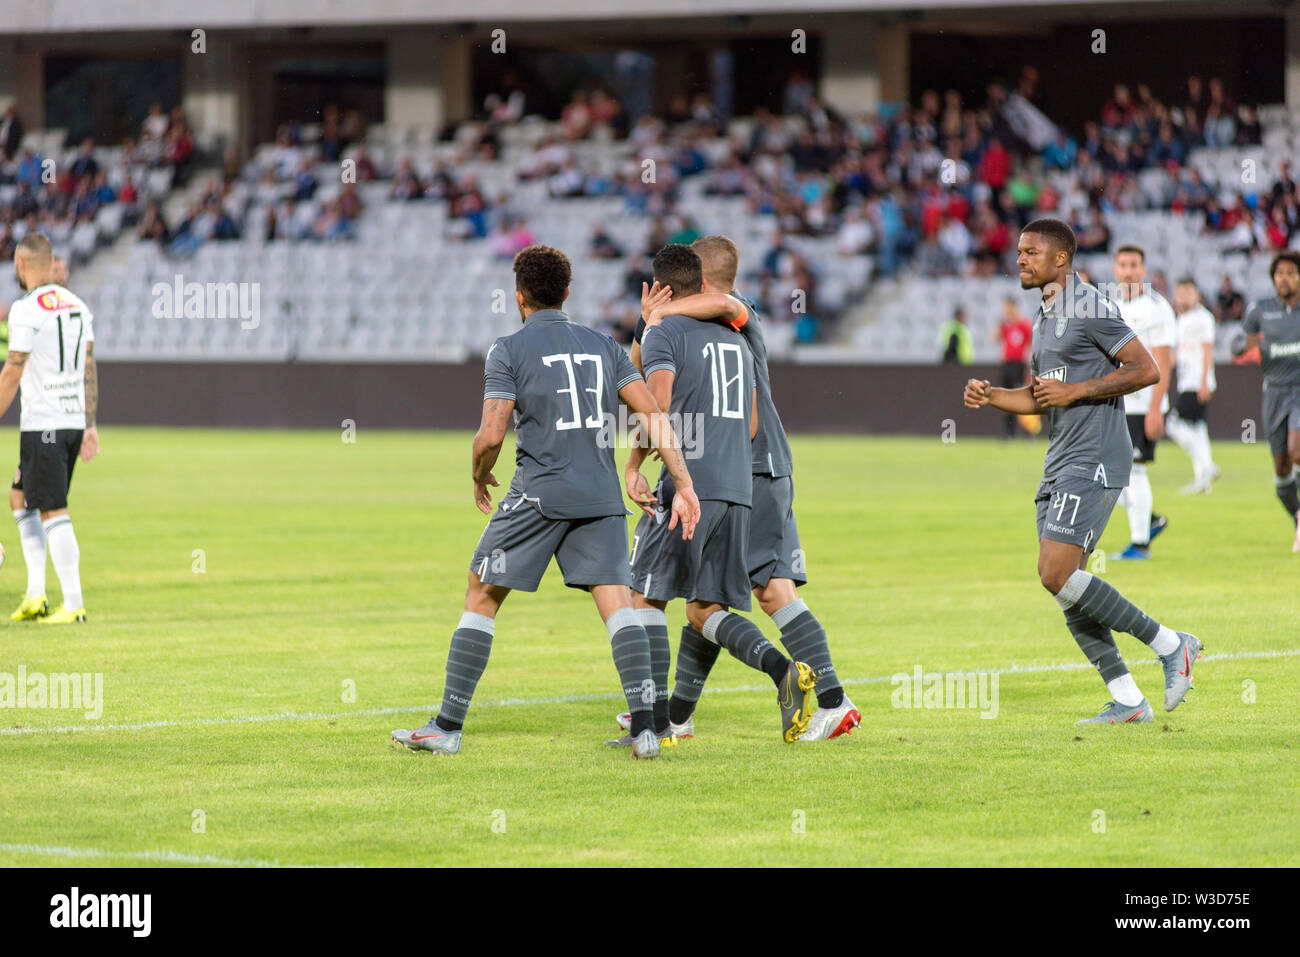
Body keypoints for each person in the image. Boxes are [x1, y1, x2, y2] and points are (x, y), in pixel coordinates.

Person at [390, 245, 701, 759]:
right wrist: (681, 481)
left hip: (539, 495)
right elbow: (654, 415)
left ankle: (446, 725)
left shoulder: (507, 349)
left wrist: (478, 475)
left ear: (519, 297)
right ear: (567, 294)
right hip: (599, 496)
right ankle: (647, 729)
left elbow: (491, 435)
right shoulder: (604, 345)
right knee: (617, 604)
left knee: (482, 592)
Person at [616, 235, 858, 742]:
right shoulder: (709, 331)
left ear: (697, 284)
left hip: (749, 468)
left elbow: (655, 396)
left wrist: (661, 318)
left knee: (756, 592)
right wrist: (648, 320)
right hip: (751, 468)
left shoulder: (734, 312)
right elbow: (636, 363)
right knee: (712, 601)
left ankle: (831, 699)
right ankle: (677, 716)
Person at [964, 218, 1202, 724]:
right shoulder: (1045, 314)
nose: (1020, 260)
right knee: (1063, 581)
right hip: (1060, 457)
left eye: (1031, 252)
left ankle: (1171, 645)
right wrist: (991, 397)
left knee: (1054, 572)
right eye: (1020, 252)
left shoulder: (1089, 306)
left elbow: (1145, 369)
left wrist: (1075, 392)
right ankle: (1129, 701)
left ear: (1060, 260)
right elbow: (1040, 393)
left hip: (1095, 456)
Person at [2, 234, 99, 623]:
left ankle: (73, 604)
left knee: (53, 510)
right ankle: (36, 594)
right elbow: (89, 367)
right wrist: (90, 423)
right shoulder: (78, 305)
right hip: (73, 420)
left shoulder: (26, 310)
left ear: (21, 265)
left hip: (44, 424)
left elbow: (13, 369)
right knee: (20, 496)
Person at [1110, 245, 1175, 560]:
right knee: (1105, 473)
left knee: (1135, 471)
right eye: (1122, 265)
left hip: (1142, 403)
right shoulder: (1110, 305)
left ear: (1144, 270)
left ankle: (1140, 544)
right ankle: (1149, 518)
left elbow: (1163, 361)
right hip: (1117, 402)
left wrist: (1155, 408)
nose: (1128, 271)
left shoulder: (1157, 308)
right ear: (1114, 270)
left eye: (1134, 265)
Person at [1236, 251, 1300, 551]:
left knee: (1296, 449)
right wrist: (1251, 344)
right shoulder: (1261, 309)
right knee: (1281, 467)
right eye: (1279, 273)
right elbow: (1237, 344)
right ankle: (1298, 518)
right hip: (1273, 390)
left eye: (1290, 272)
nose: (1283, 278)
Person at [1166, 279, 1220, 494]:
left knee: (1174, 425)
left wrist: (1205, 381)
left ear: (1196, 294)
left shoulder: (1203, 318)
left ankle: (1208, 466)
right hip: (1186, 380)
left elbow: (1208, 350)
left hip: (1197, 382)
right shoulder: (1182, 319)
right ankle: (1202, 481)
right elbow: (1178, 353)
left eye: (1188, 292)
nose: (1183, 297)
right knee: (1198, 429)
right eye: (1180, 292)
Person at [995, 296, 1033, 437]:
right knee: (1006, 397)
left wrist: (1028, 365)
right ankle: (1009, 433)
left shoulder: (1023, 324)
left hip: (1019, 364)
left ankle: (1027, 431)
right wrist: (1000, 324)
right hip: (1007, 364)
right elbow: (994, 339)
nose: (1006, 310)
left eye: (1008, 307)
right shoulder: (1005, 325)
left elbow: (1029, 344)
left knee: (1021, 397)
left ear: (1014, 307)